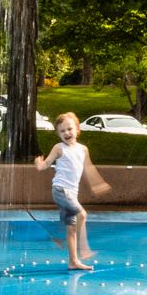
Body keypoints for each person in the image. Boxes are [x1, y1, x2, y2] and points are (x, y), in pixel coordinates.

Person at [34, 112, 109, 270]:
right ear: (58, 134)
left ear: (77, 129)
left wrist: (97, 184)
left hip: (72, 193)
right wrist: (39, 164)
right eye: (62, 131)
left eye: (69, 129)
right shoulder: (58, 148)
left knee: (72, 228)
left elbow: (88, 169)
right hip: (61, 190)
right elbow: (46, 164)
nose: (66, 133)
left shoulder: (83, 149)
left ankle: (73, 261)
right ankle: (84, 249)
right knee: (82, 214)